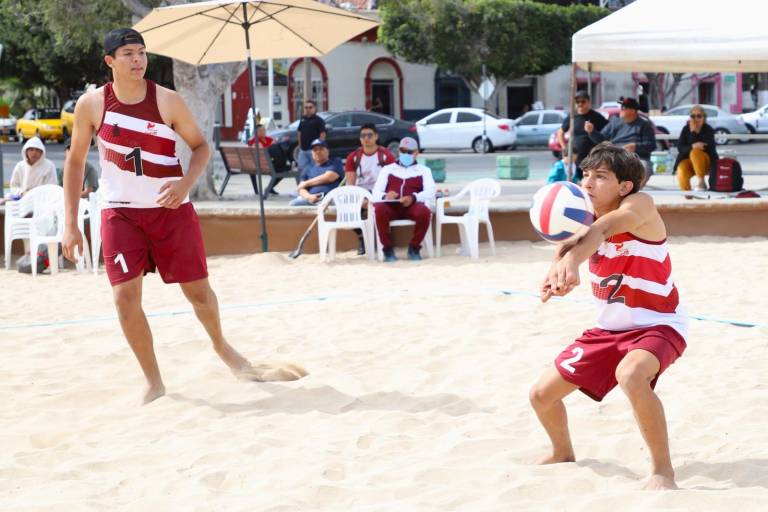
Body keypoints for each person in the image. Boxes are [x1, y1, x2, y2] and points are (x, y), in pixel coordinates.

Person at [61, 28, 306, 405]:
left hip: (172, 213)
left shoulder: (168, 100)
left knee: (199, 295)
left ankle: (222, 346)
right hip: (120, 214)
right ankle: (154, 381)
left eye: (141, 52)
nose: (138, 60)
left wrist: (185, 184)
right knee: (125, 299)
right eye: (127, 53)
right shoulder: (92, 105)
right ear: (110, 61)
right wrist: (71, 223)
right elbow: (76, 160)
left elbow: (201, 147)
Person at [529, 142, 688, 491]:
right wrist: (557, 273)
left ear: (624, 186)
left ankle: (663, 471)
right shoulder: (581, 220)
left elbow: (600, 232)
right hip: (608, 331)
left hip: (658, 325)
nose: (587, 183)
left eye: (600, 176)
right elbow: (571, 245)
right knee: (541, 396)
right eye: (585, 174)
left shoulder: (640, 206)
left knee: (630, 376)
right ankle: (562, 452)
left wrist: (570, 261)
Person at [372, 136, 435, 262]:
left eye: (409, 152)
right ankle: (387, 249)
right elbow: (375, 192)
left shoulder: (424, 171)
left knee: (424, 212)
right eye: (402, 151)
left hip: (412, 206)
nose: (405, 154)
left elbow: (431, 191)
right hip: (391, 206)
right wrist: (386, 196)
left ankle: (414, 247)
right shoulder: (388, 169)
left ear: (416, 153)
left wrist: (413, 197)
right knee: (379, 210)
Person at [344, 123, 396, 254]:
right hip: (361, 193)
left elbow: (393, 182)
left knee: (380, 209)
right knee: (346, 209)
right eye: (363, 136)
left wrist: (376, 199)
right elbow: (350, 186)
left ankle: (382, 239)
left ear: (376, 137)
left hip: (381, 192)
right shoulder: (353, 157)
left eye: (369, 135)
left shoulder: (386, 156)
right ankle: (362, 237)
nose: (366, 138)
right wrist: (358, 200)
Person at [585, 97, 656, 186]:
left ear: (633, 111)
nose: (621, 110)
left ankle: (633, 192)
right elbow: (602, 140)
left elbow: (651, 145)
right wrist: (592, 131)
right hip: (615, 156)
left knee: (644, 168)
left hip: (638, 158)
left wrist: (635, 147)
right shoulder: (615, 122)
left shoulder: (644, 125)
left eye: (624, 108)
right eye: (621, 107)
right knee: (597, 168)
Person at [557, 91, 608, 182]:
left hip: (591, 157)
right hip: (574, 157)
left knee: (588, 182)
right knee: (573, 181)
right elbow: (560, 132)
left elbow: (607, 134)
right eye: (577, 102)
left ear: (589, 102)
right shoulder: (572, 116)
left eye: (583, 101)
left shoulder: (596, 116)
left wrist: (593, 131)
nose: (580, 104)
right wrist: (564, 148)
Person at [674, 105, 718, 192]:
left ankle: (701, 181)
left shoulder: (708, 129)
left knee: (695, 152)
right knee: (681, 168)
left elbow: (707, 148)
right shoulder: (686, 129)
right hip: (689, 162)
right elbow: (680, 148)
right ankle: (687, 195)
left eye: (699, 116)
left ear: (704, 118)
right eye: (693, 116)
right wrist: (693, 135)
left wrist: (693, 146)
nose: (696, 119)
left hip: (705, 162)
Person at [289, 138, 344, 206]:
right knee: (293, 204)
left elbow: (329, 177)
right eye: (315, 150)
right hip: (311, 199)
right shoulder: (308, 168)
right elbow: (301, 188)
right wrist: (309, 197)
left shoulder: (335, 162)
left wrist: (306, 183)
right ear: (312, 153)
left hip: (330, 198)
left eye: (321, 149)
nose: (318, 151)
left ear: (327, 151)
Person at [248, 124, 291, 195]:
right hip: (262, 165)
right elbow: (261, 151)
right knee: (284, 169)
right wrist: (272, 145)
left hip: (269, 163)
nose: (264, 132)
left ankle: (270, 187)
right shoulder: (254, 141)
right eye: (261, 130)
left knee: (284, 168)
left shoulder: (268, 139)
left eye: (264, 130)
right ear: (256, 132)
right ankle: (269, 188)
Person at [296, 99, 325, 176]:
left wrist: (319, 147)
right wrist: (300, 145)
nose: (308, 109)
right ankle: (302, 186)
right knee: (301, 170)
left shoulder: (319, 120)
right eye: (306, 107)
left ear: (314, 108)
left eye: (310, 107)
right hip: (303, 150)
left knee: (315, 170)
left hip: (314, 150)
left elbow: (322, 134)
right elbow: (299, 132)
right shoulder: (302, 119)